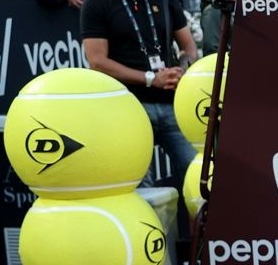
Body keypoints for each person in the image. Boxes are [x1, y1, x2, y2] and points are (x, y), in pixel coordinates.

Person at [81, 0, 199, 187]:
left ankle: (201, 217)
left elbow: (189, 46)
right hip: (130, 109)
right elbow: (97, 62)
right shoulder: (97, 4)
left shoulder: (168, 2)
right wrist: (151, 78)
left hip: (173, 104)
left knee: (198, 175)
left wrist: (182, 69)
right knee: (142, 185)